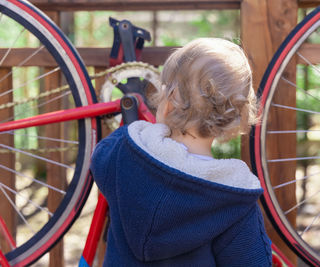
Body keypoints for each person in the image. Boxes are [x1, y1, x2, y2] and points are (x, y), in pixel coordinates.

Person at [90, 38, 272, 266]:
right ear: (236, 117)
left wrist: (137, 131)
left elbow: (100, 157)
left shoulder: (124, 155)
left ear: (168, 103)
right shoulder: (232, 198)